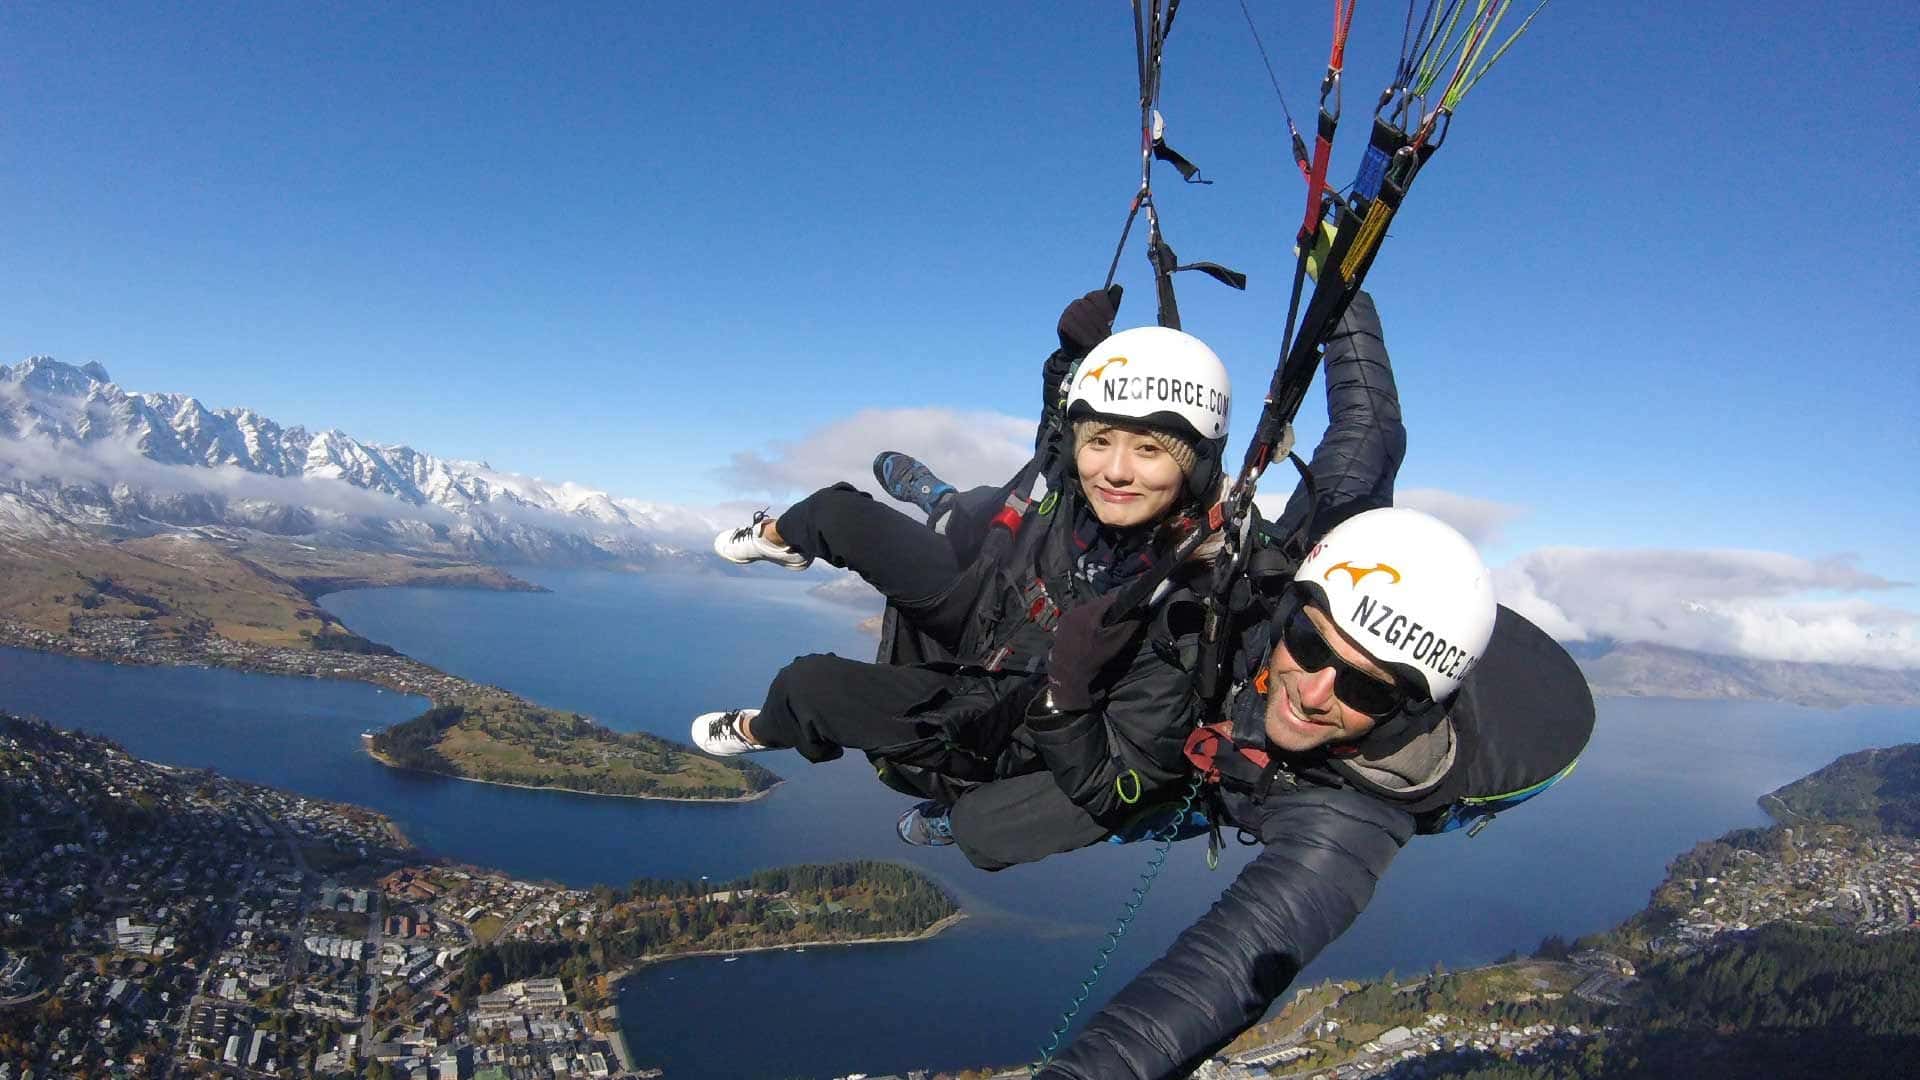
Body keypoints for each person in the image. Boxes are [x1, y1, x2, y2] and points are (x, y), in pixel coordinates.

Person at [693, 288, 1403, 872]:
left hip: (1012, 702)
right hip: (989, 600)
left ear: (1193, 463)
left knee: (810, 688)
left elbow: (1365, 442)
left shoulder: (1200, 602)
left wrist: (1066, 696)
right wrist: (1070, 357)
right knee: (839, 513)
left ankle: (766, 727)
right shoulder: (1072, 473)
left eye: (1150, 449)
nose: (1115, 470)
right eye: (1102, 442)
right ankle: (809, 530)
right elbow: (1057, 433)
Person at [1029, 505, 1597, 1079]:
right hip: (1237, 741)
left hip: (1245, 783)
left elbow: (1218, 977)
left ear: (1408, 711)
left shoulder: (1354, 826)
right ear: (1289, 614)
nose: (1314, 691)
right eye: (1308, 641)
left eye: (1366, 688)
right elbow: (1361, 443)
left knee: (1012, 824)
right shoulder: (1289, 600)